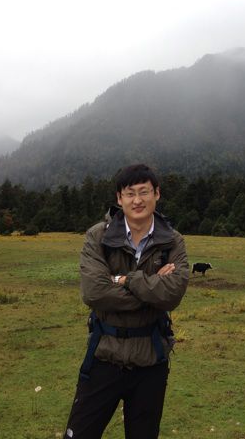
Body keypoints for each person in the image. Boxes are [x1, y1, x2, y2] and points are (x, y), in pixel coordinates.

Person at [64, 164, 189, 439]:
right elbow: (94, 293)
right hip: (104, 355)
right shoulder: (98, 236)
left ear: (157, 194)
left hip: (151, 360)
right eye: (130, 193)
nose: (137, 200)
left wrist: (125, 280)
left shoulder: (172, 241)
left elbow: (172, 295)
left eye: (144, 192)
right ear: (119, 198)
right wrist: (152, 288)